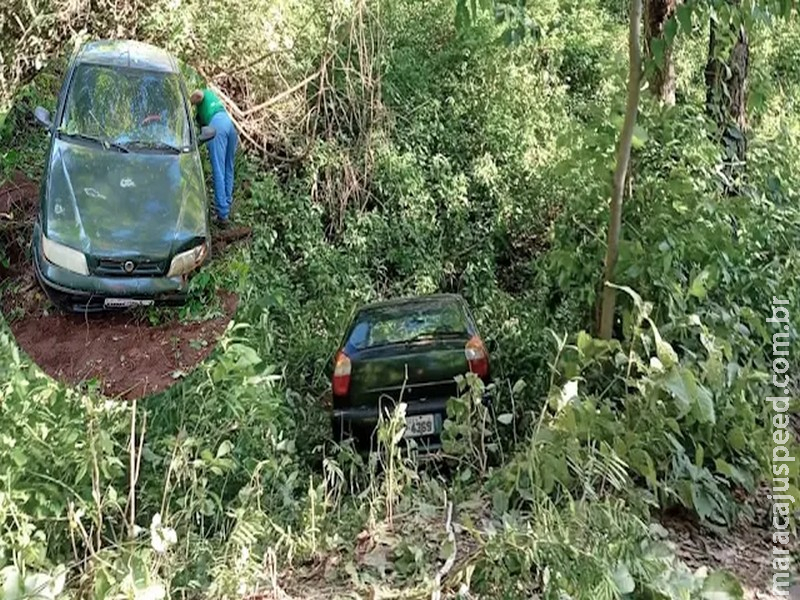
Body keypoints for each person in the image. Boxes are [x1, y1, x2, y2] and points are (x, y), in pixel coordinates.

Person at [190, 87, 238, 226]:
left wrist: (188, 102)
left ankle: (222, 214)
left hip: (217, 125)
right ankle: (227, 204)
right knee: (228, 167)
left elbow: (198, 94)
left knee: (218, 169)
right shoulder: (213, 100)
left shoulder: (203, 94)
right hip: (229, 124)